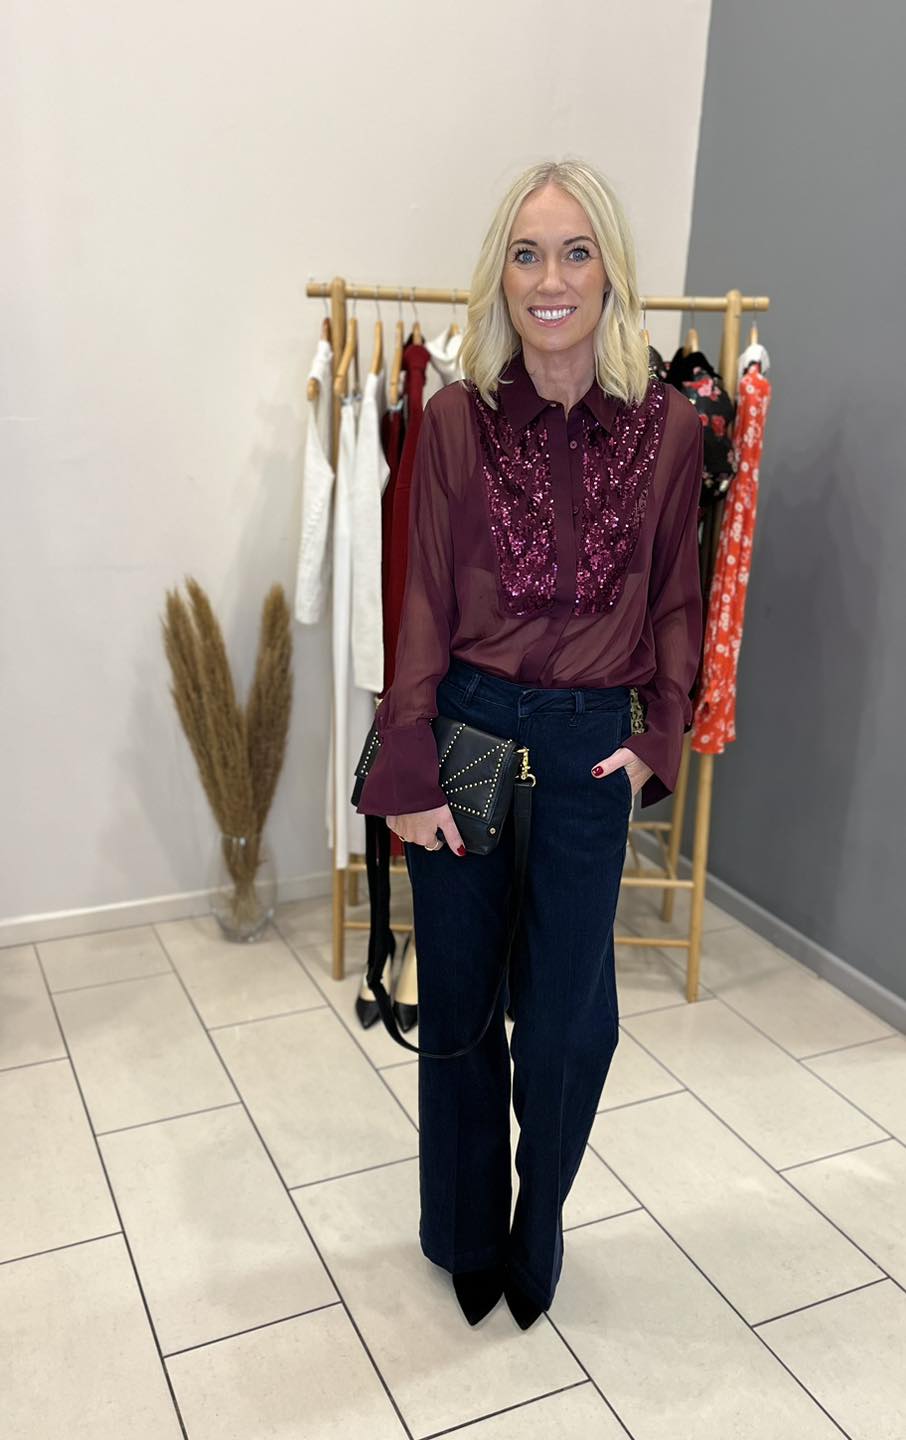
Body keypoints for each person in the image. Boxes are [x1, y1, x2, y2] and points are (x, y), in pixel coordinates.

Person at [355, 158, 704, 1330]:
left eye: (574, 252)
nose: (550, 279)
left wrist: (659, 734)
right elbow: (419, 603)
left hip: (591, 748)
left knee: (566, 1022)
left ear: (610, 273)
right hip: (468, 730)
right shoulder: (454, 421)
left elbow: (677, 600)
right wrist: (408, 763)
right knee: (460, 1007)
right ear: (499, 277)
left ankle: (536, 1219)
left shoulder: (671, 430)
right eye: (526, 254)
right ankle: (464, 1230)